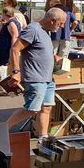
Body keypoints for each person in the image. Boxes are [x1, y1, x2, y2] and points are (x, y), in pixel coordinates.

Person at [6, 8, 66, 139]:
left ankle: (43, 136)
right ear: (52, 21)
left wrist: (53, 56)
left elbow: (39, 50)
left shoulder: (46, 32)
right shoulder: (33, 29)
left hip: (47, 78)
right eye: (61, 23)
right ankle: (3, 129)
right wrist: (16, 71)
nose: (62, 27)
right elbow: (15, 49)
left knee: (47, 108)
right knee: (31, 109)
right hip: (35, 77)